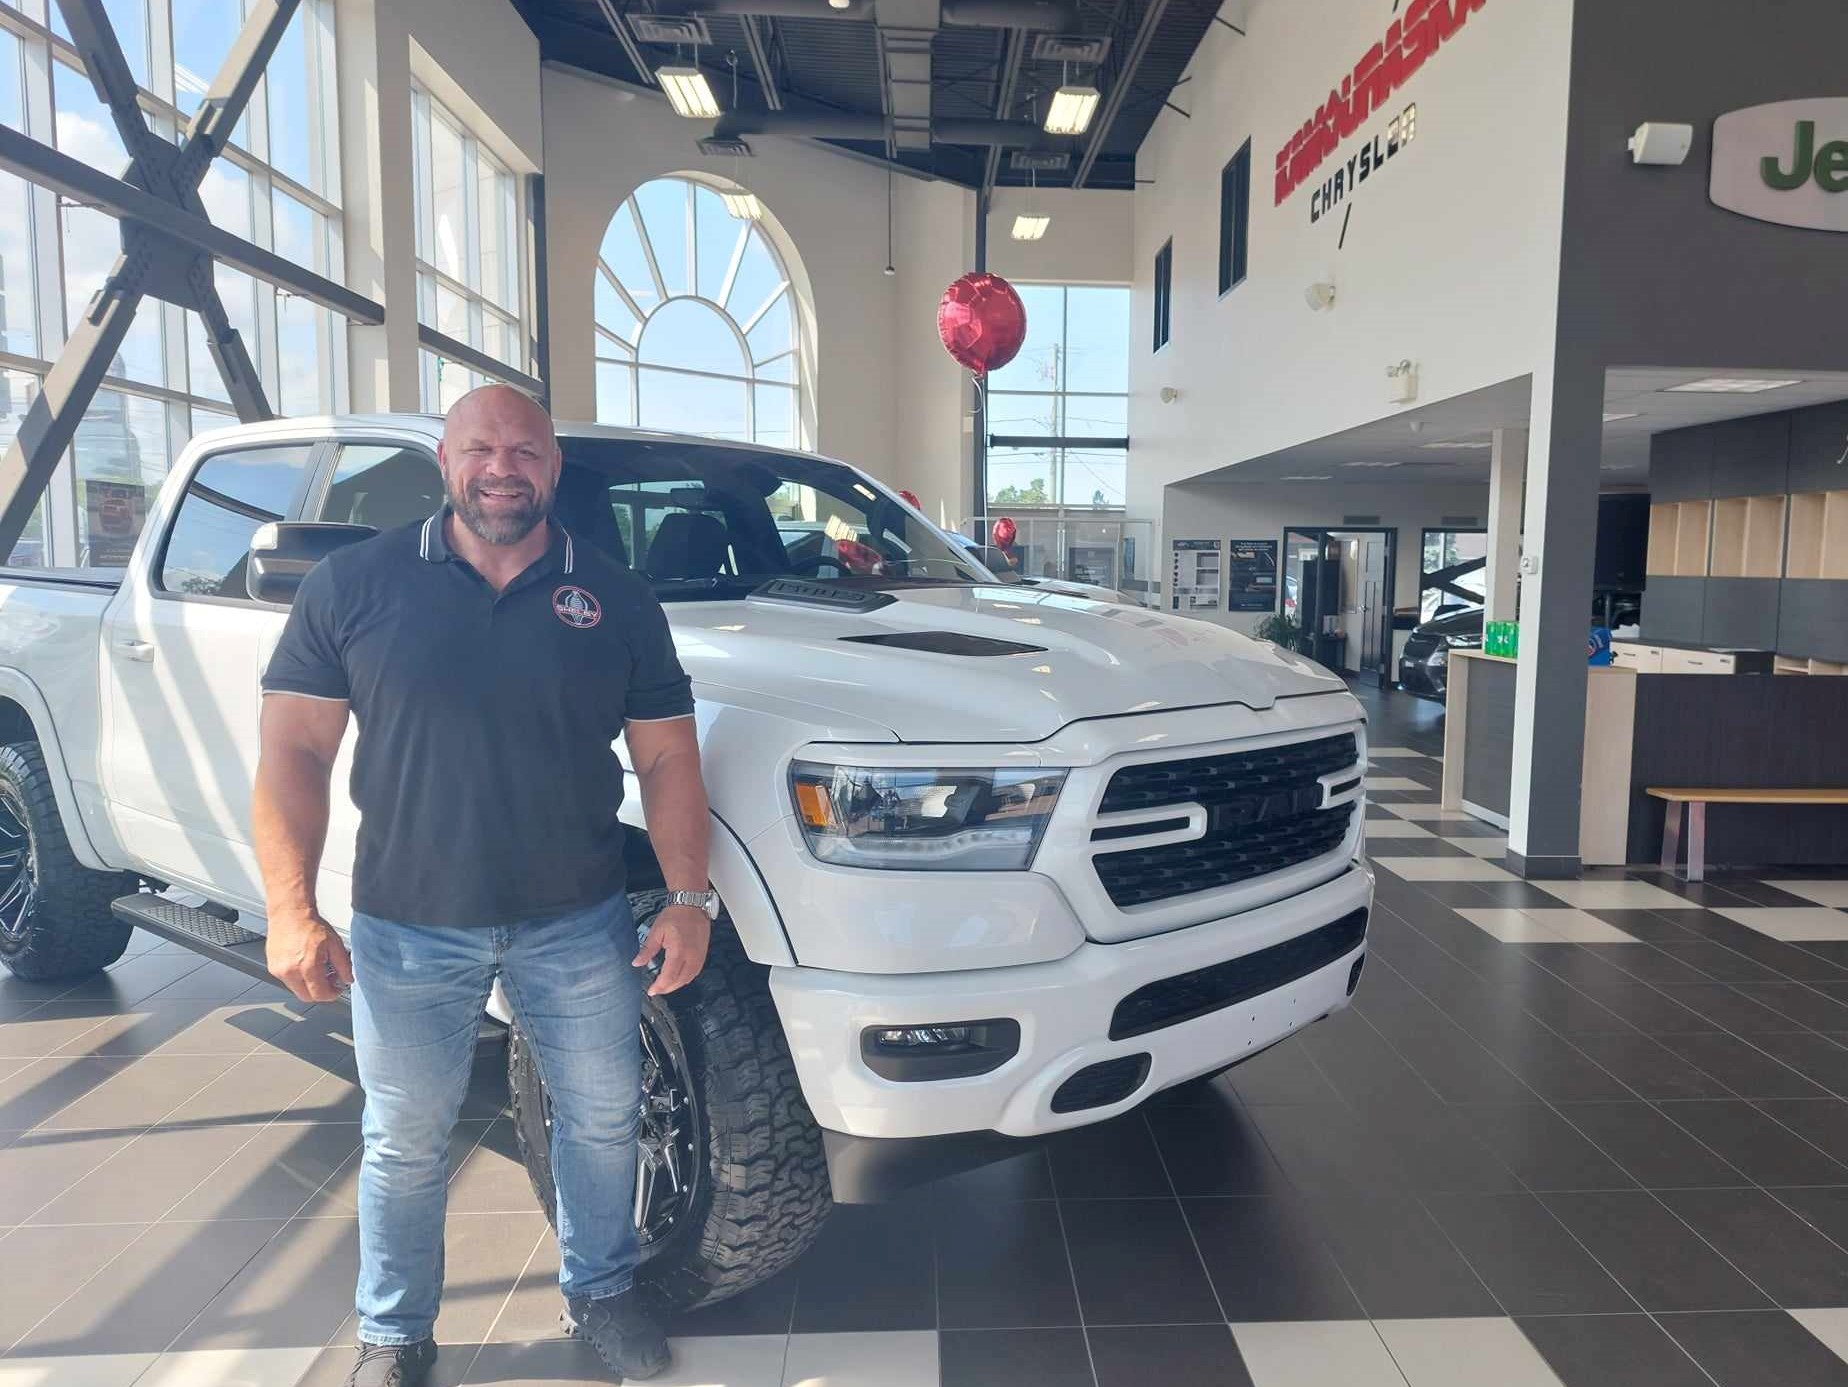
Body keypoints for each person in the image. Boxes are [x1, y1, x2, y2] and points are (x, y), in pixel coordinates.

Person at [253, 385, 713, 1387]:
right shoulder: (354, 585)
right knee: (407, 1135)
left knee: (600, 1121)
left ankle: (599, 1291)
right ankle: (395, 1331)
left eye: (525, 450)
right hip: (408, 923)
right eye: (480, 447)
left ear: (553, 466)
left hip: (578, 919)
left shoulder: (616, 596)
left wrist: (689, 895)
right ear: (445, 460)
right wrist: (290, 907)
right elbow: (293, 748)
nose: (502, 466)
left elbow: (671, 759)